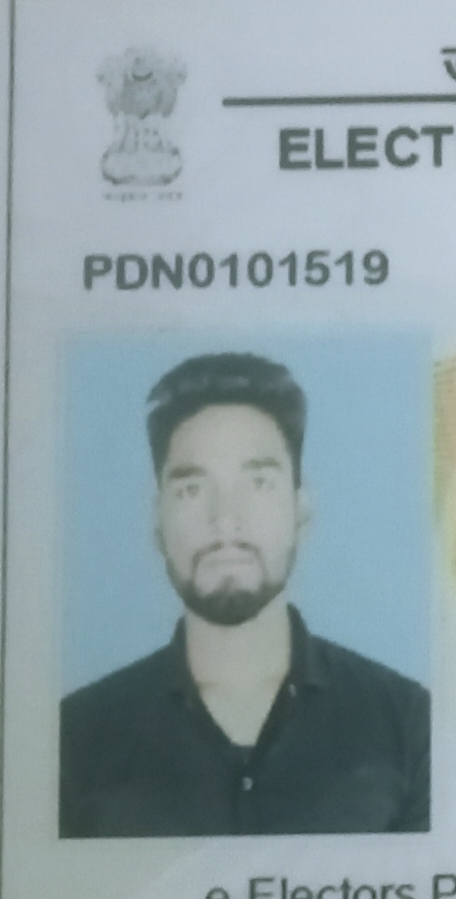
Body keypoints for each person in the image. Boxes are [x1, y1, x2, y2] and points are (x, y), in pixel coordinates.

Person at [59, 351, 430, 837]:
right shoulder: (75, 738)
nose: (225, 517)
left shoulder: (406, 724)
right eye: (192, 489)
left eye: (258, 482)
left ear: (301, 509)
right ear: (157, 519)